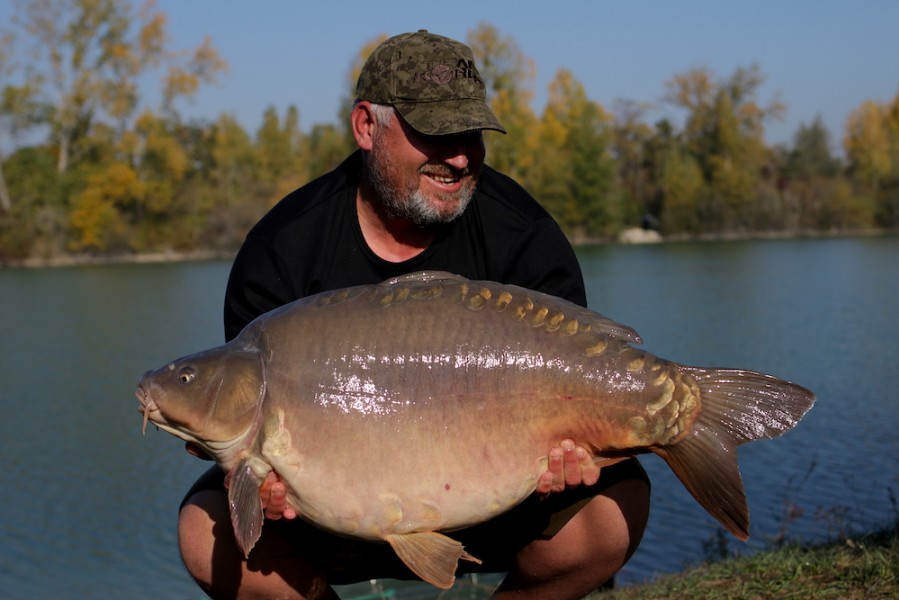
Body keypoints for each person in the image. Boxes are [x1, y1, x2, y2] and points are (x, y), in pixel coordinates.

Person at [178, 30, 650, 600]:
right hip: (327, 514)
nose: (457, 158)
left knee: (612, 512)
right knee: (204, 533)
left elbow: (580, 384)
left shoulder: (523, 236)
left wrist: (576, 456)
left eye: (470, 135)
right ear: (365, 127)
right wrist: (258, 482)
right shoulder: (282, 249)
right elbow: (247, 438)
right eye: (434, 135)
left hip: (501, 495)